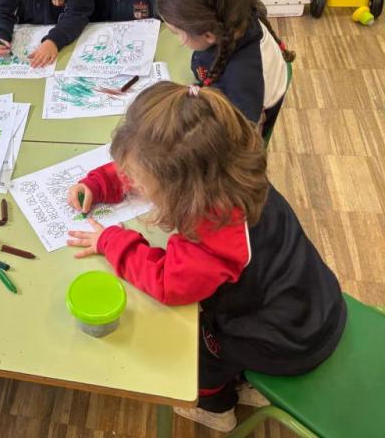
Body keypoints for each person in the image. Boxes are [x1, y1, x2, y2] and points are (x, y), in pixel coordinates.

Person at [66, 82, 346, 432]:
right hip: (314, 301)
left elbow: (168, 283)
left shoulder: (214, 235)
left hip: (288, 341)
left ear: (180, 190)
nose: (133, 182)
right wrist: (100, 184)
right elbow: (155, 159)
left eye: (139, 179)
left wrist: (111, 241)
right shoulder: (227, 168)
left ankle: (216, 407)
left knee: (196, 350)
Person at [156, 0, 294, 136]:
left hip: (241, 124)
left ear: (208, 35)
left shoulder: (241, 79)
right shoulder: (235, 18)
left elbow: (239, 133)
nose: (178, 40)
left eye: (176, 33)